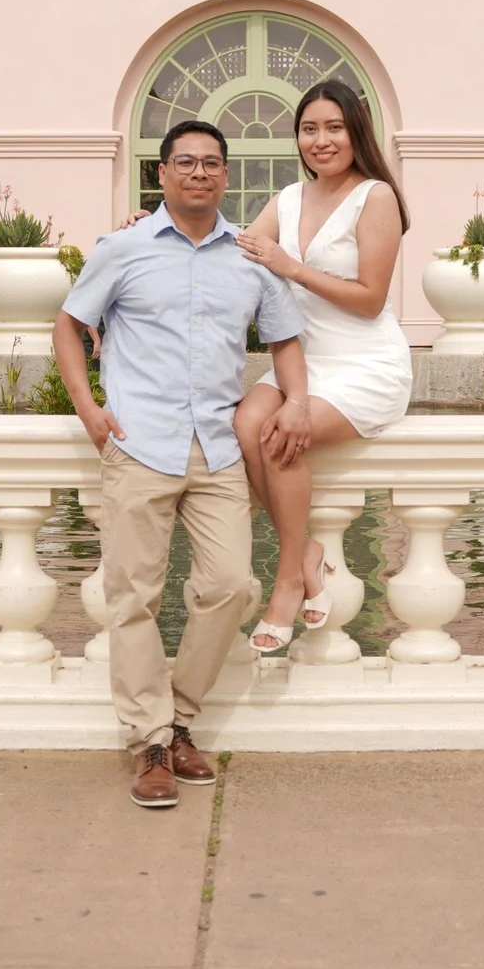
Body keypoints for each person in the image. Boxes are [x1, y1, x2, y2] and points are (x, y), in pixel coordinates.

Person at [54, 119, 312, 810]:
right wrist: (88, 409)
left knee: (231, 584)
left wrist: (298, 401)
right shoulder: (124, 247)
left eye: (212, 164)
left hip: (219, 446)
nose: (200, 173)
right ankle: (152, 745)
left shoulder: (251, 258)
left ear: (225, 177)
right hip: (139, 441)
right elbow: (69, 324)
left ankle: (180, 715)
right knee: (133, 596)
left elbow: (285, 338)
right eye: (186, 162)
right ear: (162, 173)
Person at [231, 78, 414, 653]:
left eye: (333, 127)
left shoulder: (375, 196)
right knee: (242, 426)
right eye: (309, 129)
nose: (321, 140)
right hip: (300, 362)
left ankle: (287, 582)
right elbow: (230, 247)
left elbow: (370, 298)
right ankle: (306, 551)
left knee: (280, 431)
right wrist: (157, 227)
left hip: (365, 363)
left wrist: (290, 267)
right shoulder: (288, 199)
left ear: (355, 130)